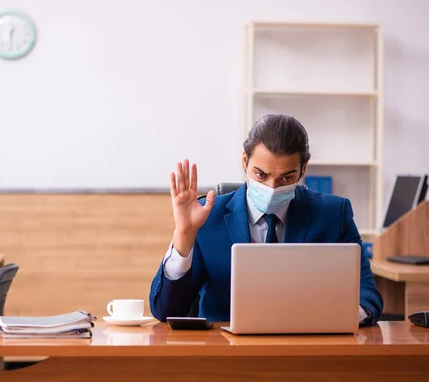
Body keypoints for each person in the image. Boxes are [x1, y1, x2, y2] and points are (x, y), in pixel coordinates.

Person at [149, 114, 383, 325]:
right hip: (225, 354)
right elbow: (165, 310)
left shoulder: (333, 214)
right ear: (244, 162)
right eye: (261, 174)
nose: (272, 188)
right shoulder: (207, 216)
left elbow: (368, 296)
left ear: (303, 169)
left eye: (286, 178)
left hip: (308, 348)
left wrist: (344, 316)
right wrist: (183, 235)